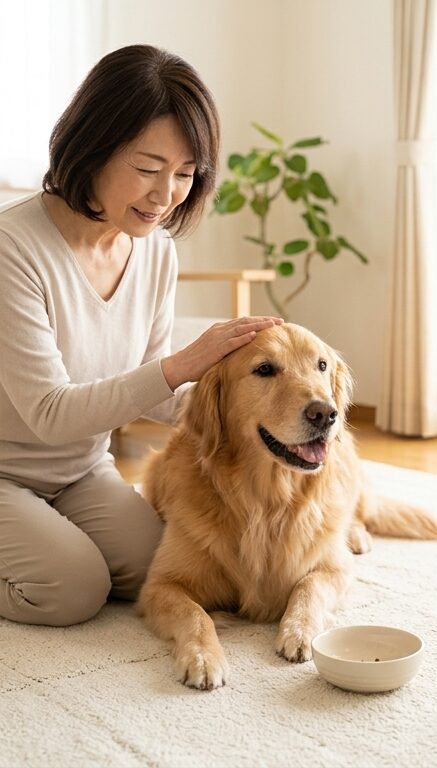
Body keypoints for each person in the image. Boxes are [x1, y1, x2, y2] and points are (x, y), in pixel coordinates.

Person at [0, 45, 281, 627]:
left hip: (82, 470)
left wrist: (259, 415)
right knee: (72, 589)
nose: (166, 194)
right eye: (148, 169)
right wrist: (188, 361)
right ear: (91, 146)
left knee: (160, 568)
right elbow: (49, 413)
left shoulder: (155, 252)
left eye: (184, 174)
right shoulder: (13, 249)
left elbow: (150, 390)